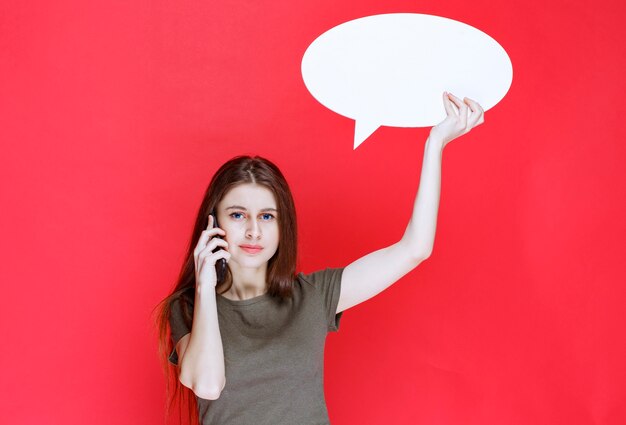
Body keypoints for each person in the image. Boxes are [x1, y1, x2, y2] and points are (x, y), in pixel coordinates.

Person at [154, 92, 485, 424]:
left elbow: (415, 249)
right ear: (214, 223)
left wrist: (436, 143)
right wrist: (206, 287)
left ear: (284, 226)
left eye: (267, 217)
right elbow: (208, 385)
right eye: (238, 215)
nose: (254, 231)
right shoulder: (189, 307)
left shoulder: (313, 295)